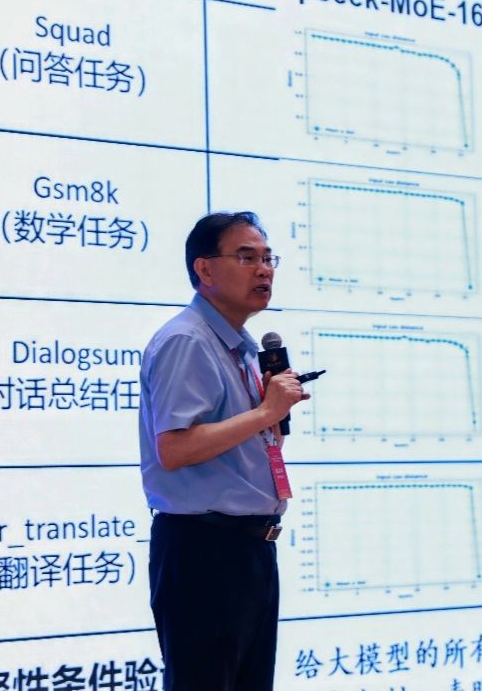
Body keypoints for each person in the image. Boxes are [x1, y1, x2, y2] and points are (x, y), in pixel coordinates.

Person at [139, 211, 309, 691]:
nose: (264, 270)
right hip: (205, 551)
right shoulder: (187, 341)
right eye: (247, 257)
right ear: (205, 269)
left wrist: (269, 415)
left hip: (249, 548)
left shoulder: (241, 347)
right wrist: (264, 411)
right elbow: (174, 448)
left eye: (268, 259)